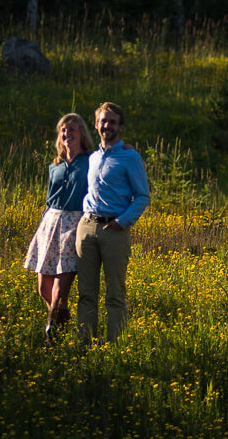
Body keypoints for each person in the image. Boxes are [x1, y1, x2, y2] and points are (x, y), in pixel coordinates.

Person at [76, 101, 150, 343]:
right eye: (103, 121)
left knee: (115, 295)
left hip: (114, 230)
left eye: (112, 122)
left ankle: (115, 346)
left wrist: (123, 221)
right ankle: (85, 345)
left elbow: (142, 196)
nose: (107, 125)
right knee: (86, 293)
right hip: (86, 228)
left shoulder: (130, 157)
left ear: (121, 127)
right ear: (96, 124)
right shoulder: (93, 156)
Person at [24, 111, 94, 342]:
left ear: (82, 132)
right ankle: (60, 318)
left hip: (74, 224)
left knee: (59, 287)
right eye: (63, 130)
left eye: (72, 129)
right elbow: (49, 197)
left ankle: (51, 334)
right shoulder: (54, 165)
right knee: (43, 287)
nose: (67, 133)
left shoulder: (91, 161)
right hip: (50, 223)